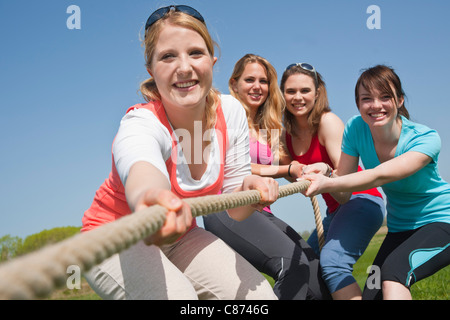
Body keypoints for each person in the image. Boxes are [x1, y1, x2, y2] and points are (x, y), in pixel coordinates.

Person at [81, 5, 279, 300]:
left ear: (212, 60)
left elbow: (235, 209)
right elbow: (141, 167)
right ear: (151, 70)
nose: (184, 67)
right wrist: (150, 198)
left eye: (195, 53)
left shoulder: (231, 110)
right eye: (168, 56)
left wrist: (249, 188)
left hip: (181, 235)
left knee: (259, 299)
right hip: (114, 237)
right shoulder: (142, 122)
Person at [302, 64, 450, 300]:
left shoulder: (425, 138)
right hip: (400, 227)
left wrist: (328, 183)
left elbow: (381, 175)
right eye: (366, 98)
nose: (376, 105)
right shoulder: (355, 128)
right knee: (373, 293)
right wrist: (329, 174)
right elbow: (344, 193)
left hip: (441, 221)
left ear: (400, 100)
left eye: (385, 97)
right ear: (358, 104)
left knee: (394, 274)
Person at [203, 54, 331, 300]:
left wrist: (315, 170)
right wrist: (287, 169)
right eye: (249, 79)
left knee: (312, 266)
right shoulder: (222, 115)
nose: (257, 86)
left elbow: (292, 168)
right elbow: (238, 166)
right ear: (234, 83)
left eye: (263, 81)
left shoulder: (268, 128)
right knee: (290, 266)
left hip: (261, 211)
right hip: (227, 206)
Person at [280, 63, 386, 300]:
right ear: (282, 94)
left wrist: (325, 173)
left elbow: (344, 178)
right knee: (304, 263)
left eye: (305, 90)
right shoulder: (285, 134)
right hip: (335, 210)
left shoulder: (327, 122)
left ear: (317, 93)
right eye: (291, 91)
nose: (298, 97)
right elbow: (290, 171)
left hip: (361, 200)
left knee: (333, 263)